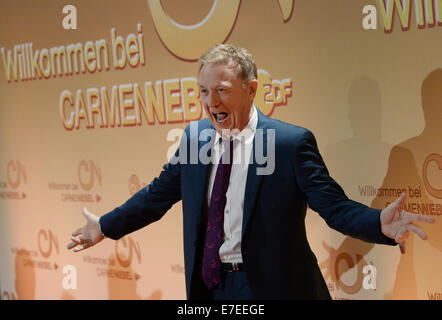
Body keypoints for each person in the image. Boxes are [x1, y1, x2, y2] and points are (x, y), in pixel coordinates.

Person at [67, 44, 435, 300]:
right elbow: (155, 196)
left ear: (251, 88)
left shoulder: (290, 144)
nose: (212, 103)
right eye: (204, 92)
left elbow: (333, 207)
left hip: (270, 288)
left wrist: (378, 223)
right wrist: (105, 226)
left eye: (222, 91)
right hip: (209, 288)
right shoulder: (194, 139)